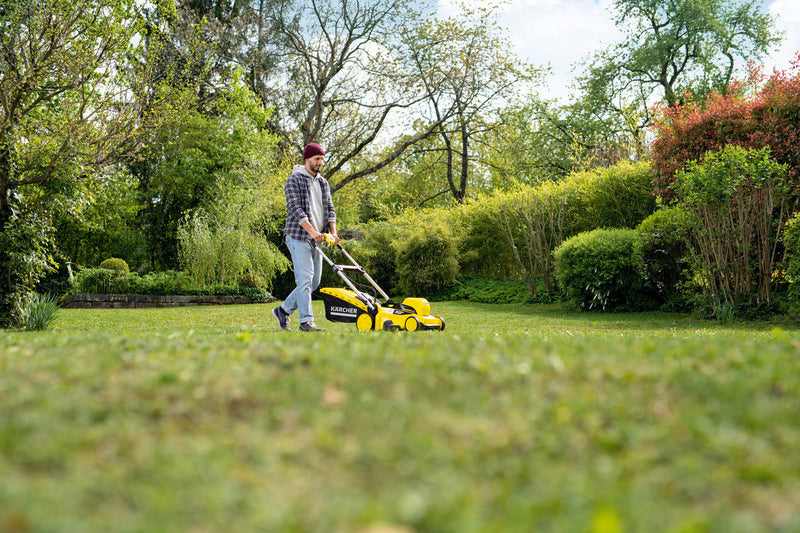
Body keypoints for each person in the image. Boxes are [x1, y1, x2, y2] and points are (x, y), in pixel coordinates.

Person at [272, 142, 339, 332]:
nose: (320, 163)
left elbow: (330, 208)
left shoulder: (322, 182)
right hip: (298, 236)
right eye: (317, 159)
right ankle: (306, 321)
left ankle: (283, 310)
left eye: (321, 160)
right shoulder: (294, 179)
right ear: (307, 159)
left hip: (317, 238)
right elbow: (294, 208)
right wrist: (313, 232)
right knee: (304, 280)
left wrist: (333, 232)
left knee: (314, 281)